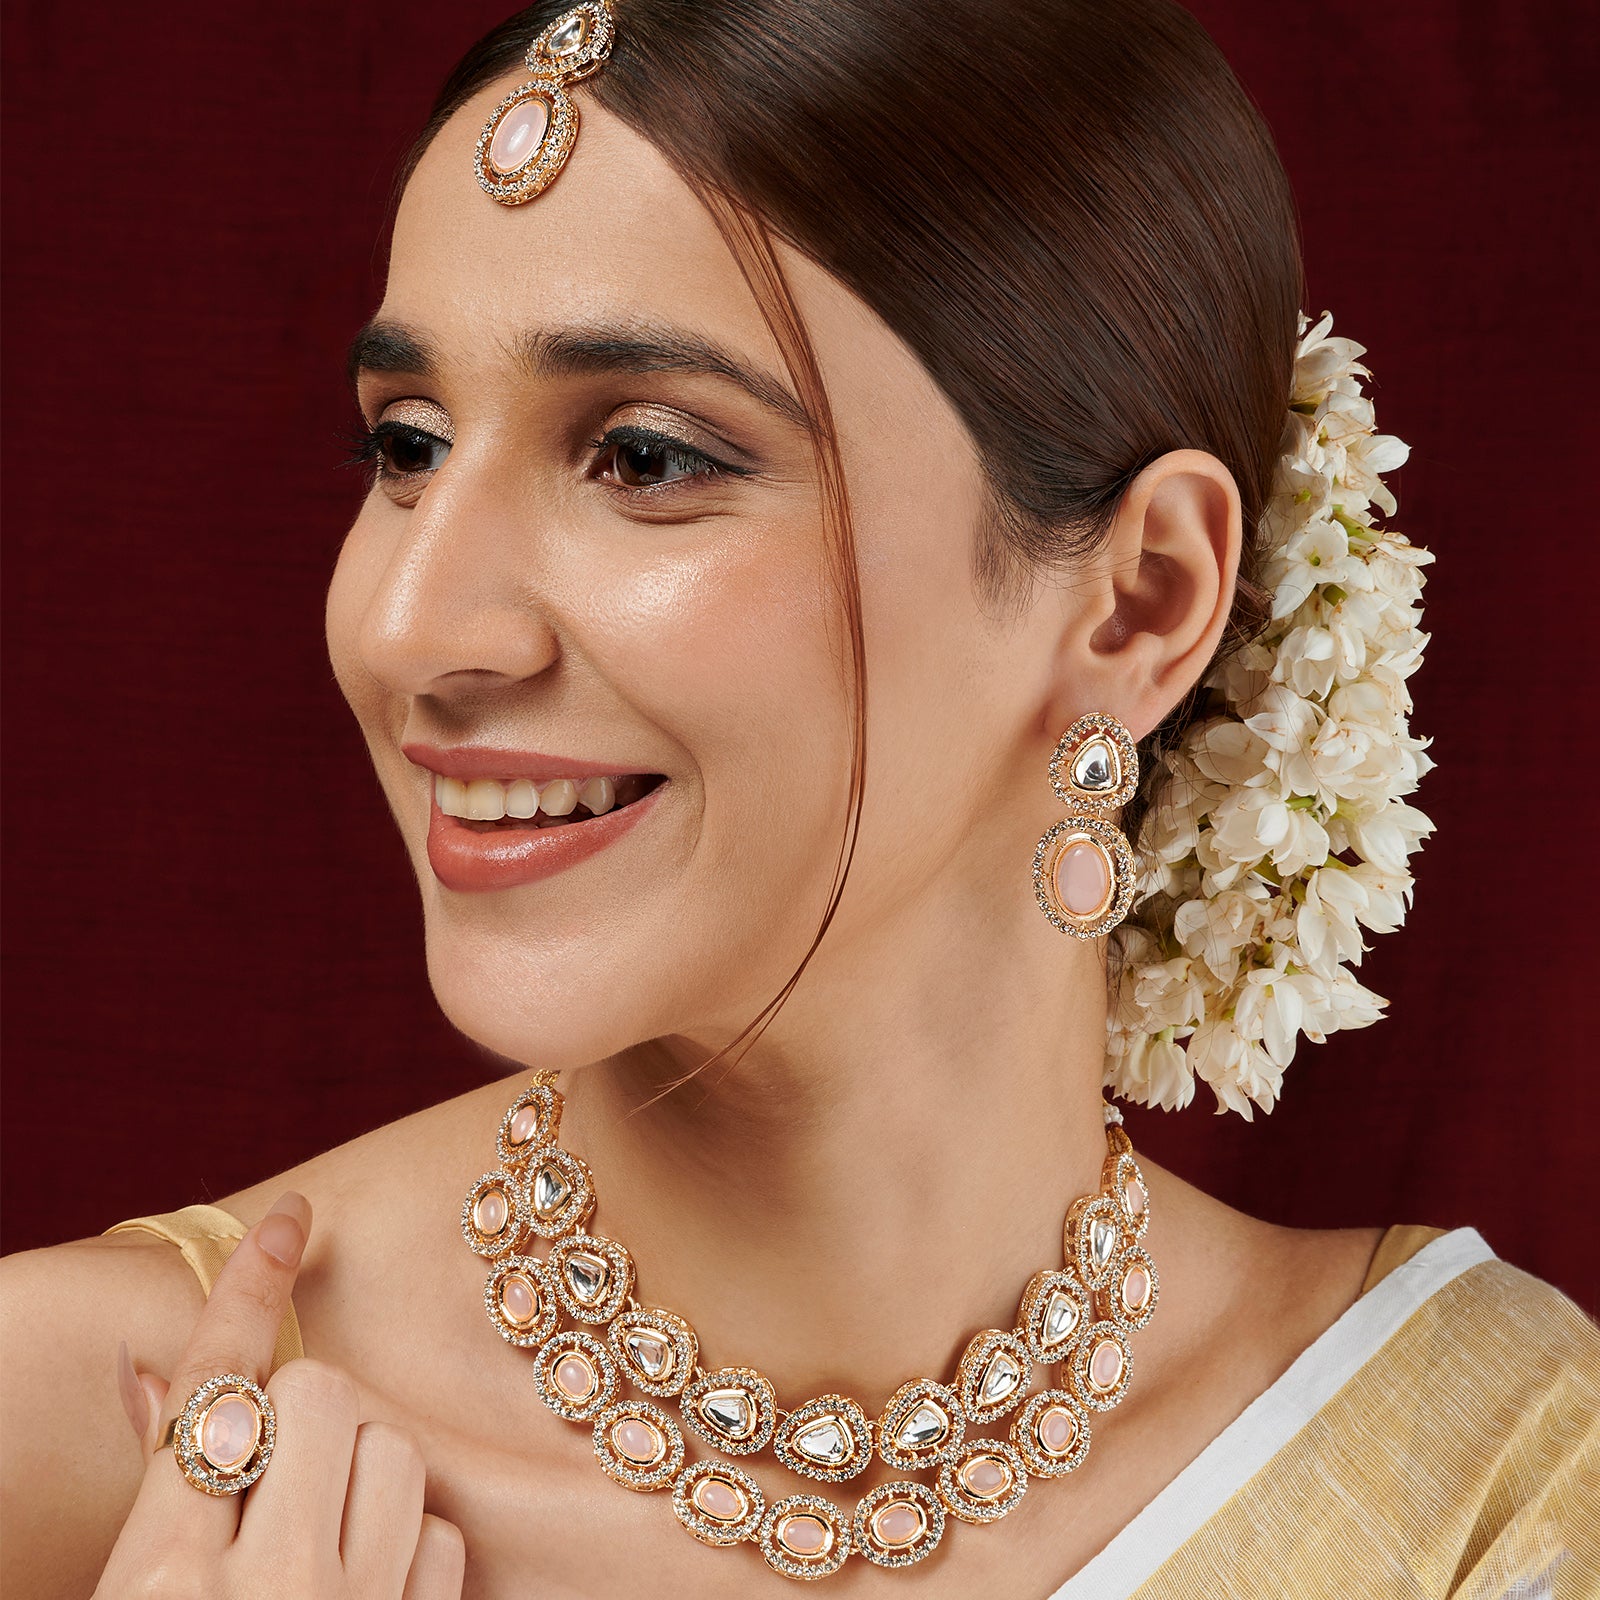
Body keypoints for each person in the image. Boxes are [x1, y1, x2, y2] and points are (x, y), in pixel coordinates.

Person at [3, 1, 1595, 1595]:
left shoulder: (1476, 1479)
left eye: (644, 457)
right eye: (407, 446)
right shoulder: (88, 1433)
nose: (410, 626)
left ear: (1140, 604)